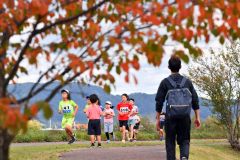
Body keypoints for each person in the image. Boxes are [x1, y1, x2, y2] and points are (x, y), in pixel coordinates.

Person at [155, 55, 201, 160]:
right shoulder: (187, 82)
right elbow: (195, 100)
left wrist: (158, 120)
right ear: (180, 66)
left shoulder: (165, 82)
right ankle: (184, 157)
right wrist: (197, 117)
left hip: (170, 118)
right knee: (184, 140)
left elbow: (159, 102)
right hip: (185, 117)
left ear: (168, 67)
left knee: (170, 142)